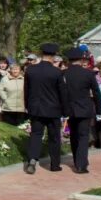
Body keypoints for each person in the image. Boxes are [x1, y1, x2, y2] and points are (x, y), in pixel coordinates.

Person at [23, 43, 64, 174]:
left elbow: (26, 90)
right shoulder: (57, 72)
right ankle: (55, 164)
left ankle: (32, 160)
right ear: (54, 56)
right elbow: (62, 93)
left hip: (35, 108)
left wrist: (27, 106)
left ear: (41, 54)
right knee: (54, 137)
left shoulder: (30, 70)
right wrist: (65, 110)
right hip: (53, 109)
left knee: (36, 135)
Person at [61, 48, 101, 174]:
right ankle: (81, 164)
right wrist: (99, 110)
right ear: (81, 59)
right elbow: (96, 92)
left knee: (74, 135)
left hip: (69, 108)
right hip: (85, 108)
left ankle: (76, 160)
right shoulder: (88, 74)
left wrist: (62, 110)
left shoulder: (63, 73)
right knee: (83, 136)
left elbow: (61, 93)